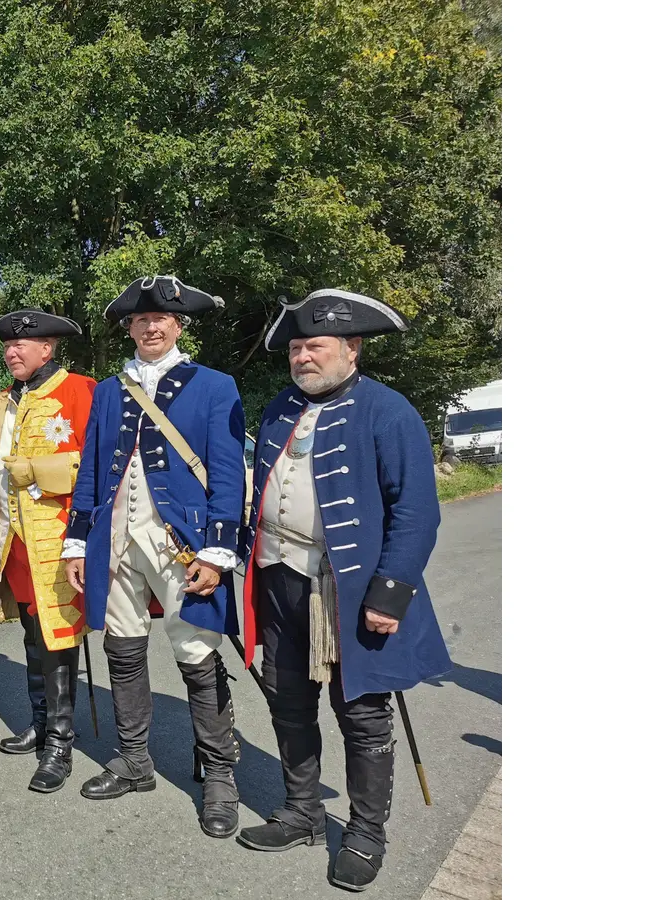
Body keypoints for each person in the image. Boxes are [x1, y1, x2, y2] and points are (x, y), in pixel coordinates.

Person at [234, 289, 453, 892]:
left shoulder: (388, 410)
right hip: (277, 576)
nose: (303, 357)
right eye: (297, 347)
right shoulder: (279, 407)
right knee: (287, 701)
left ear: (351, 349)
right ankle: (304, 812)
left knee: (361, 714)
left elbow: (415, 511)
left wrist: (390, 594)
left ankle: (365, 831)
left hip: (350, 588)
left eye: (316, 346)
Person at [62, 276, 246, 839]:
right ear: (130, 328)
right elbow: (92, 468)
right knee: (122, 646)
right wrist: (77, 538)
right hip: (114, 537)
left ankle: (219, 775)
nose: (151, 326)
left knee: (195, 651)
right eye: (141, 320)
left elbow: (229, 470)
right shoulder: (110, 390)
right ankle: (135, 760)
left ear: (179, 324)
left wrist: (218, 551)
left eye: (161, 319)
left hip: (182, 540)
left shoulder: (215, 385)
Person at [0, 309, 96, 792]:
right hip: (13, 541)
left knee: (58, 638)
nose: (11, 352)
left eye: (21, 345)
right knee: (34, 636)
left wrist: (39, 471)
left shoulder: (79, 390)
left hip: (56, 538)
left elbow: (96, 465)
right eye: (7, 346)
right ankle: (41, 723)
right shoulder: (5, 403)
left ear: (48, 348)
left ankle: (60, 743)